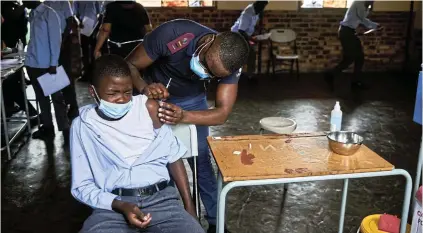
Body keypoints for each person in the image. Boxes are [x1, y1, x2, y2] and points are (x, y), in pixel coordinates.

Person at [125, 19, 249, 233]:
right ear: (209, 41)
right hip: (154, 100)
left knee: (202, 162)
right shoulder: (173, 34)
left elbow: (222, 114)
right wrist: (145, 88)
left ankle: (215, 221)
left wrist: (185, 116)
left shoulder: (230, 64)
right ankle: (173, 219)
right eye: (206, 64)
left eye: (213, 75)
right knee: (162, 162)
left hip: (192, 101)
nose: (205, 73)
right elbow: (128, 65)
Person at [70, 55, 204, 233]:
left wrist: (190, 208)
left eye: (127, 92)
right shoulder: (83, 125)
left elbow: (174, 156)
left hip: (162, 202)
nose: (121, 100)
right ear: (93, 92)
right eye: (112, 93)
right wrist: (120, 205)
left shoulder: (147, 109)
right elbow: (82, 186)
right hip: (112, 206)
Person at [24, 0, 71, 139]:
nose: (23, 3)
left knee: (56, 98)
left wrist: (53, 64)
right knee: (41, 98)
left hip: (47, 65)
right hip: (33, 63)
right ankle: (48, 127)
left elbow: (55, 41)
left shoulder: (49, 13)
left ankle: (65, 128)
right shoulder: (33, 14)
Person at [325, 0, 382, 90]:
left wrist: (375, 25)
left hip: (349, 32)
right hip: (346, 32)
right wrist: (375, 25)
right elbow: (362, 18)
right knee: (352, 58)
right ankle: (332, 75)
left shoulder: (364, 4)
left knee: (356, 57)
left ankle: (353, 80)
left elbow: (362, 19)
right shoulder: (359, 3)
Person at [44, 0, 80, 122]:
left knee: (65, 74)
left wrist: (62, 40)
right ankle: (60, 107)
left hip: (63, 43)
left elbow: (70, 22)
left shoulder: (63, 2)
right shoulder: (45, 3)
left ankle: (72, 106)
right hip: (49, 44)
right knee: (53, 75)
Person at [231, 1, 268, 80]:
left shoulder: (256, 10)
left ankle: (249, 74)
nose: (263, 9)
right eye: (262, 8)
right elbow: (241, 31)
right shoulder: (247, 14)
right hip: (238, 35)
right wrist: (252, 39)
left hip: (245, 34)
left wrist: (259, 28)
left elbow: (252, 24)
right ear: (257, 6)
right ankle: (247, 74)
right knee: (250, 53)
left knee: (251, 54)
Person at [75, 1, 102, 81]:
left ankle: (94, 72)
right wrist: (79, 22)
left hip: (94, 27)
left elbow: (99, 12)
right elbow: (75, 14)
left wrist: (97, 25)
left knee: (94, 49)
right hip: (83, 27)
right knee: (85, 50)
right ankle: (86, 72)